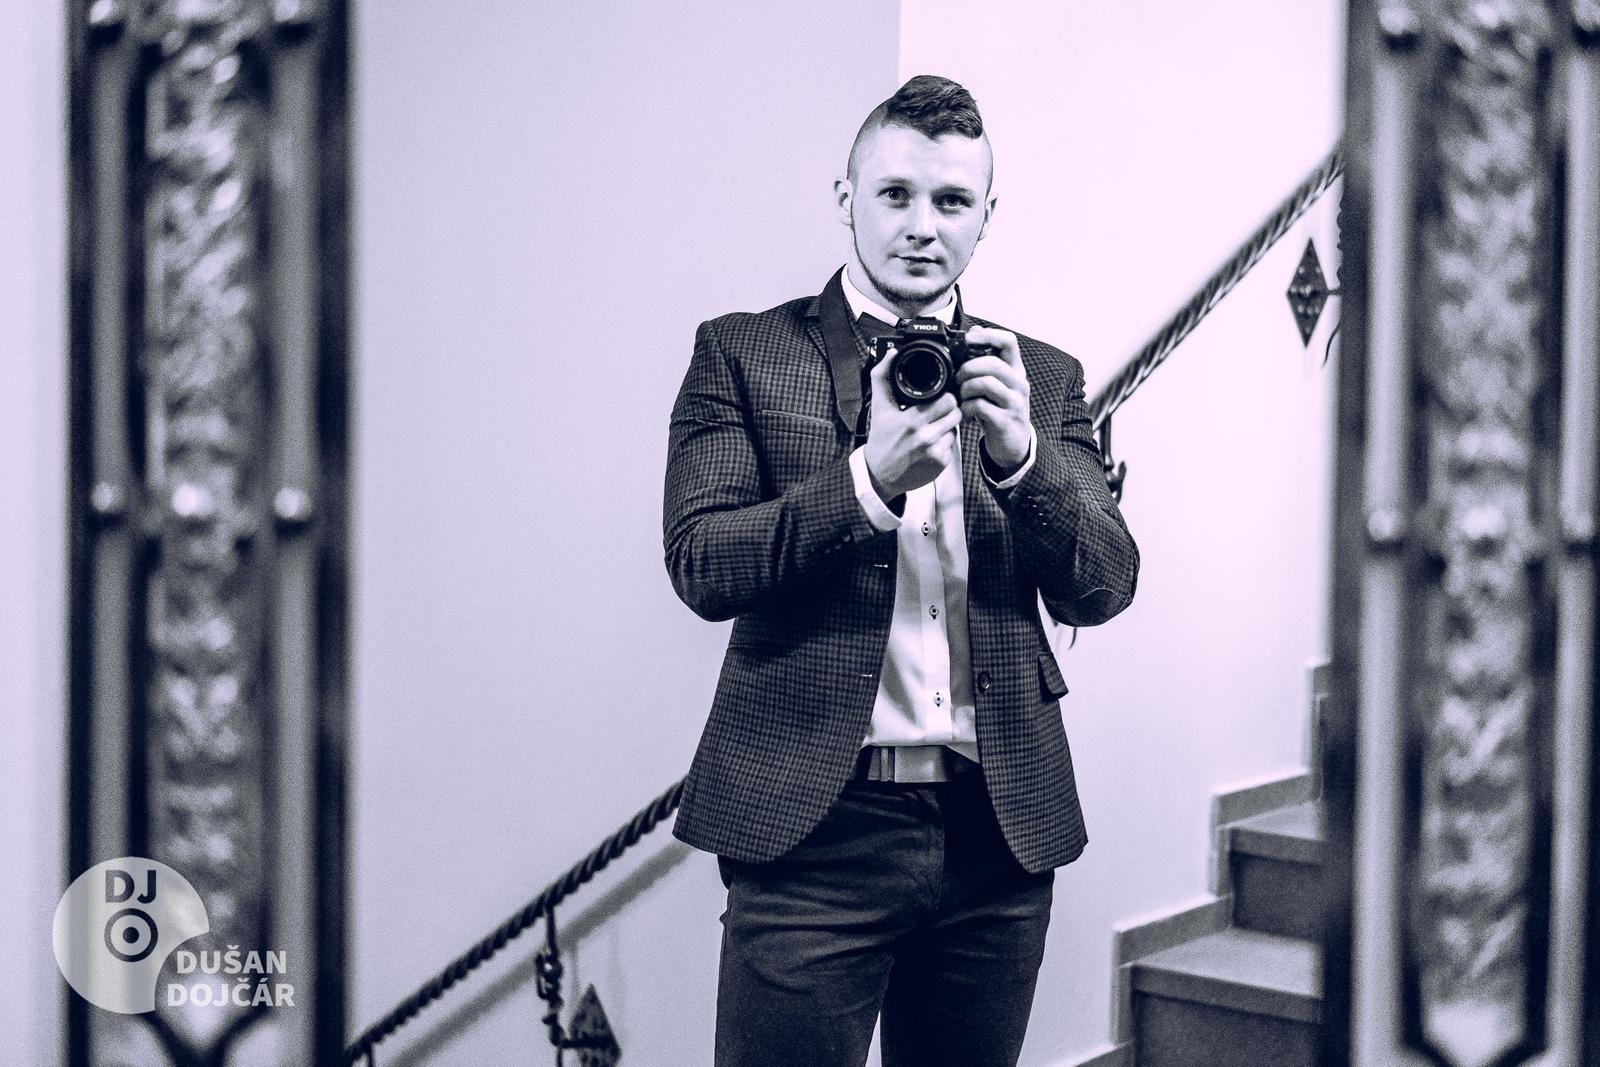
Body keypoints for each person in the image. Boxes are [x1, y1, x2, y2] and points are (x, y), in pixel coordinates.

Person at [662, 74, 1139, 1067]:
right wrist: (866, 483)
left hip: (997, 831)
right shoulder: (741, 353)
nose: (922, 226)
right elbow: (701, 562)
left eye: (952, 200)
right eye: (895, 194)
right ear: (847, 198)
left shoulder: (1041, 376)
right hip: (809, 830)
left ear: (986, 215)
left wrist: (1024, 462)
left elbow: (1104, 583)